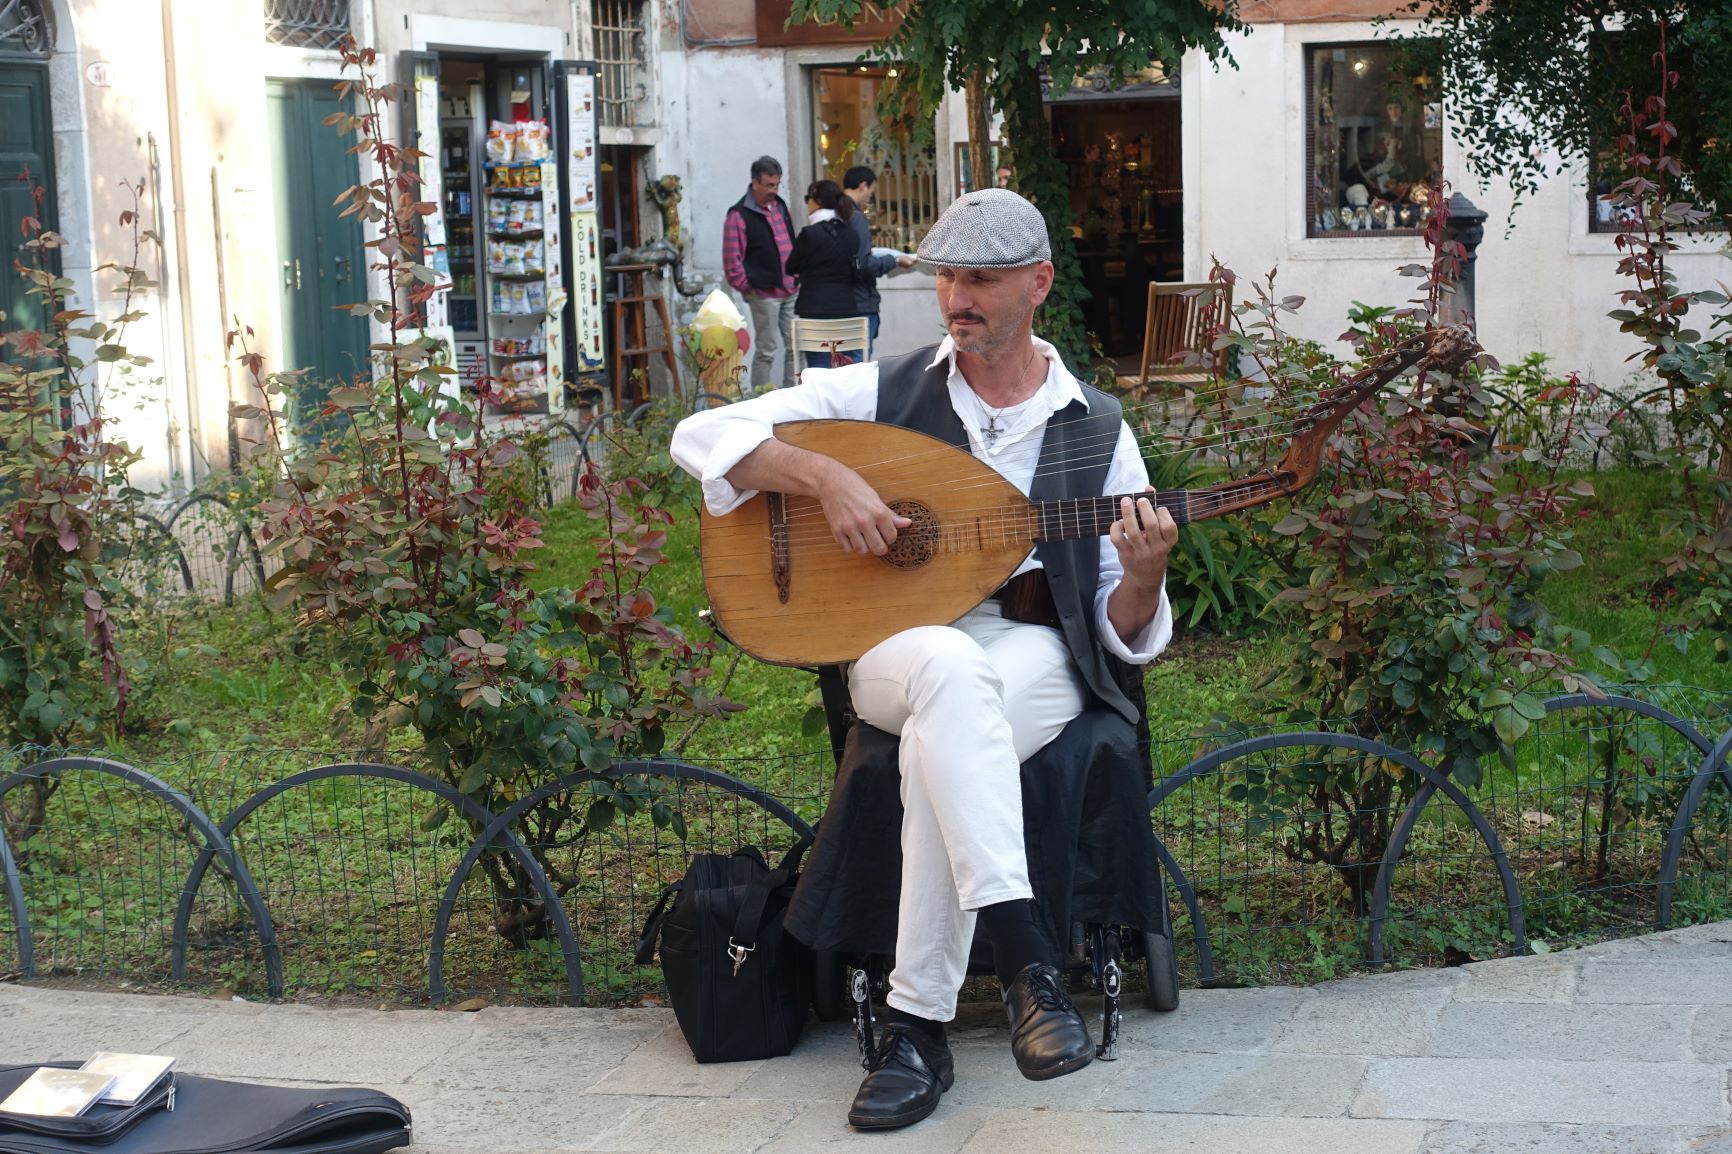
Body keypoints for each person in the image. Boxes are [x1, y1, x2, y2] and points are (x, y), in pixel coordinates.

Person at [670, 188, 1178, 1132]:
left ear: (1039, 283)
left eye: (981, 278)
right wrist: (826, 476)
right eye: (945, 275)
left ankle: (915, 1030)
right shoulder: (883, 392)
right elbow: (699, 436)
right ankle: (1030, 962)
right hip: (891, 648)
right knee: (944, 667)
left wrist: (1144, 578)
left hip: (1035, 652)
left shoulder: (1096, 426)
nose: (957, 297)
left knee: (943, 729)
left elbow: (1123, 625)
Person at [722, 156, 797, 392]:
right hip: (764, 293)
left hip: (791, 289)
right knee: (767, 348)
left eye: (777, 184)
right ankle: (761, 399)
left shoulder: (780, 206)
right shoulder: (739, 215)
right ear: (755, 183)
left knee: (795, 345)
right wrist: (750, 287)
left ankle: (792, 394)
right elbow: (732, 262)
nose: (774, 190)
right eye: (769, 185)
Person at [785, 180, 866, 371]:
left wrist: (805, 271)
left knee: (818, 369)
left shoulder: (809, 234)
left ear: (817, 201)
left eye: (808, 199)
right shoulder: (851, 234)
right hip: (847, 310)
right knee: (848, 369)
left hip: (812, 311)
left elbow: (790, 267)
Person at [841, 165, 917, 358]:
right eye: (871, 194)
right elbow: (862, 265)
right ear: (863, 186)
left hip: (837, 304)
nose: (869, 201)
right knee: (857, 366)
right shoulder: (855, 217)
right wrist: (894, 260)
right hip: (858, 303)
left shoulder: (832, 213)